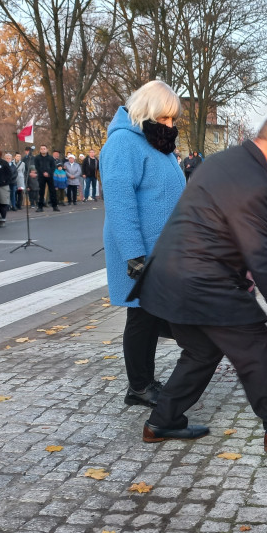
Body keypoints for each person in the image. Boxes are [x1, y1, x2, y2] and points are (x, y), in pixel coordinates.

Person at [131, 112, 267, 453]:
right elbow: (261, 257)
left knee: (202, 350)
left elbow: (214, 226)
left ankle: (162, 421)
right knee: (255, 345)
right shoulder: (257, 184)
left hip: (168, 274)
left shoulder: (226, 161)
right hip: (201, 280)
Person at [100, 80, 186, 407]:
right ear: (146, 111)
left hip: (163, 251)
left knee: (148, 317)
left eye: (172, 120)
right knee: (141, 317)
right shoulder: (123, 144)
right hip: (141, 251)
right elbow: (120, 204)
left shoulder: (156, 145)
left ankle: (143, 382)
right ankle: (139, 385)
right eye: (164, 118)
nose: (169, 126)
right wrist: (134, 255)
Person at [34, 144, 58, 211]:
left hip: (49, 176)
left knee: (52, 191)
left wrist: (48, 173)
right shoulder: (37, 158)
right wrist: (43, 173)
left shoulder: (50, 158)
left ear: (47, 150)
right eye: (41, 149)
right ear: (40, 150)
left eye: (44, 148)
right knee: (41, 192)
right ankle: (40, 207)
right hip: (41, 176)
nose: (43, 150)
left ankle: (55, 206)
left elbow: (53, 167)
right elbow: (37, 167)